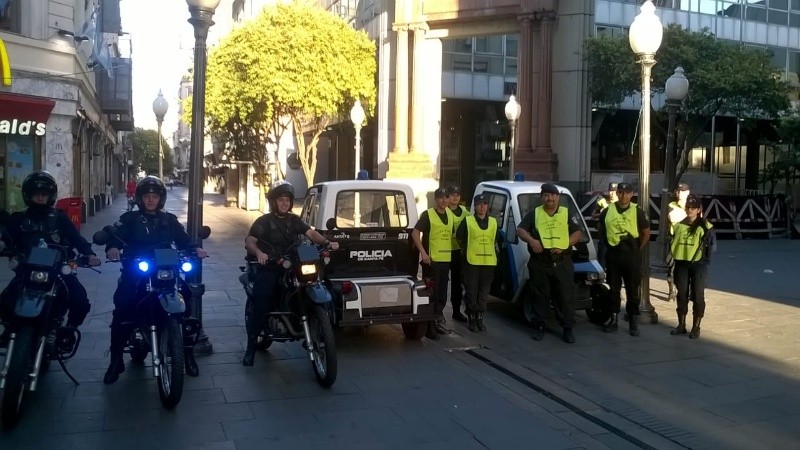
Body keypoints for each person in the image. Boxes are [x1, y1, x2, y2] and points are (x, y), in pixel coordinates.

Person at [103, 176, 208, 384]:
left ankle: (186, 354)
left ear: (161, 198)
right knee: (124, 303)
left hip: (166, 270)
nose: (151, 200)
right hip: (138, 270)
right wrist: (112, 248)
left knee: (186, 297)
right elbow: (116, 237)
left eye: (155, 196)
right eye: (147, 196)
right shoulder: (129, 219)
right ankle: (116, 360)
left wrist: (195, 248)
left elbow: (183, 239)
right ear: (140, 198)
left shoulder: (169, 220)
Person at [243, 181, 338, 366]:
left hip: (294, 263)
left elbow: (310, 233)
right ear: (274, 202)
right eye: (281, 200)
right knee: (262, 299)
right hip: (271, 265)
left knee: (317, 284)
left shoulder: (294, 220)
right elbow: (250, 241)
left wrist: (326, 243)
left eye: (287, 200)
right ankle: (251, 346)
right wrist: (260, 253)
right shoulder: (264, 221)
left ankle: (314, 329)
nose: (285, 203)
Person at [0, 171, 101, 344]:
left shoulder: (59, 218)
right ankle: (10, 328)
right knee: (5, 301)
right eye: (36, 194)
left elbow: (76, 238)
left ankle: (67, 330)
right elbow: (7, 239)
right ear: (28, 195)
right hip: (27, 271)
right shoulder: (19, 219)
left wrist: (89, 254)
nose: (40, 197)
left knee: (80, 301)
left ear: (50, 196)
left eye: (44, 194)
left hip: (57, 270)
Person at [516, 183, 582, 344]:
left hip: (562, 263)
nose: (550, 198)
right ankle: (539, 327)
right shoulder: (534, 214)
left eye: (552, 196)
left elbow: (577, 233)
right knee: (539, 297)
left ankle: (567, 329)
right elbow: (520, 230)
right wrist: (531, 241)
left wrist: (566, 244)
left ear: (558, 197)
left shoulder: (566, 213)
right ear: (542, 198)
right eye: (546, 195)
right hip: (540, 262)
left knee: (565, 297)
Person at [597, 182, 651, 336]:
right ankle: (613, 319)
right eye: (620, 192)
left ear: (631, 194)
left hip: (631, 255)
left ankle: (633, 321)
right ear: (617, 193)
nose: (623, 195)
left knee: (632, 289)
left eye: (627, 192)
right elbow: (601, 229)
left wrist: (636, 248)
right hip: (613, 254)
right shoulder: (608, 210)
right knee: (613, 289)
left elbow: (646, 232)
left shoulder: (638, 212)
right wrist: (608, 244)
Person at [670, 194, 715, 339]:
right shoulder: (679, 225)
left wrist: (703, 260)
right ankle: (681, 324)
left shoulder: (706, 226)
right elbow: (672, 243)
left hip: (698, 265)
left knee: (698, 295)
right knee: (681, 294)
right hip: (681, 263)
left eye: (693, 208)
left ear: (698, 209)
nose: (690, 210)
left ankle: (696, 327)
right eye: (688, 207)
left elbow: (712, 247)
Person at [412, 187, 454, 340]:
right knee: (432, 295)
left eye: (446, 197)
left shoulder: (450, 214)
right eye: (441, 197)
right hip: (432, 262)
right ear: (436, 200)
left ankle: (437, 322)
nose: (444, 200)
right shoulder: (428, 215)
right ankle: (430, 327)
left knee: (442, 295)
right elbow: (415, 233)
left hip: (445, 261)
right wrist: (423, 253)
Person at [455, 193, 501, 332]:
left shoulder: (493, 222)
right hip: (471, 263)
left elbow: (495, 240)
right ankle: (472, 319)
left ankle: (480, 317)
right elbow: (459, 238)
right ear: (475, 206)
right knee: (471, 292)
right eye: (479, 204)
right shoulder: (467, 221)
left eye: (484, 204)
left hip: (488, 262)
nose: (482, 207)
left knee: (483, 293)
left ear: (488, 206)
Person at [446, 185, 470, 322]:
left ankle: (456, 311)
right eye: (452, 194)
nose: (455, 197)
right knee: (441, 284)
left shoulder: (466, 213)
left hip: (459, 252)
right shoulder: (443, 211)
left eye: (457, 195)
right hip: (444, 251)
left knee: (457, 284)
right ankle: (438, 314)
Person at [665, 183, 690, 302]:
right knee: (672, 266)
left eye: (682, 191)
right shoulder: (672, 205)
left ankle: (686, 291)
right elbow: (673, 217)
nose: (679, 193)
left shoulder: (692, 205)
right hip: (675, 240)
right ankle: (671, 291)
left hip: (690, 241)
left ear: (688, 193)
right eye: (678, 191)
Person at [591, 182, 619, 269]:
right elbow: (593, 216)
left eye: (614, 191)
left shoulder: (621, 204)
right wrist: (602, 214)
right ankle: (602, 270)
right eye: (610, 191)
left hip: (617, 234)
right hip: (604, 233)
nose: (612, 193)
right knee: (602, 253)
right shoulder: (602, 202)